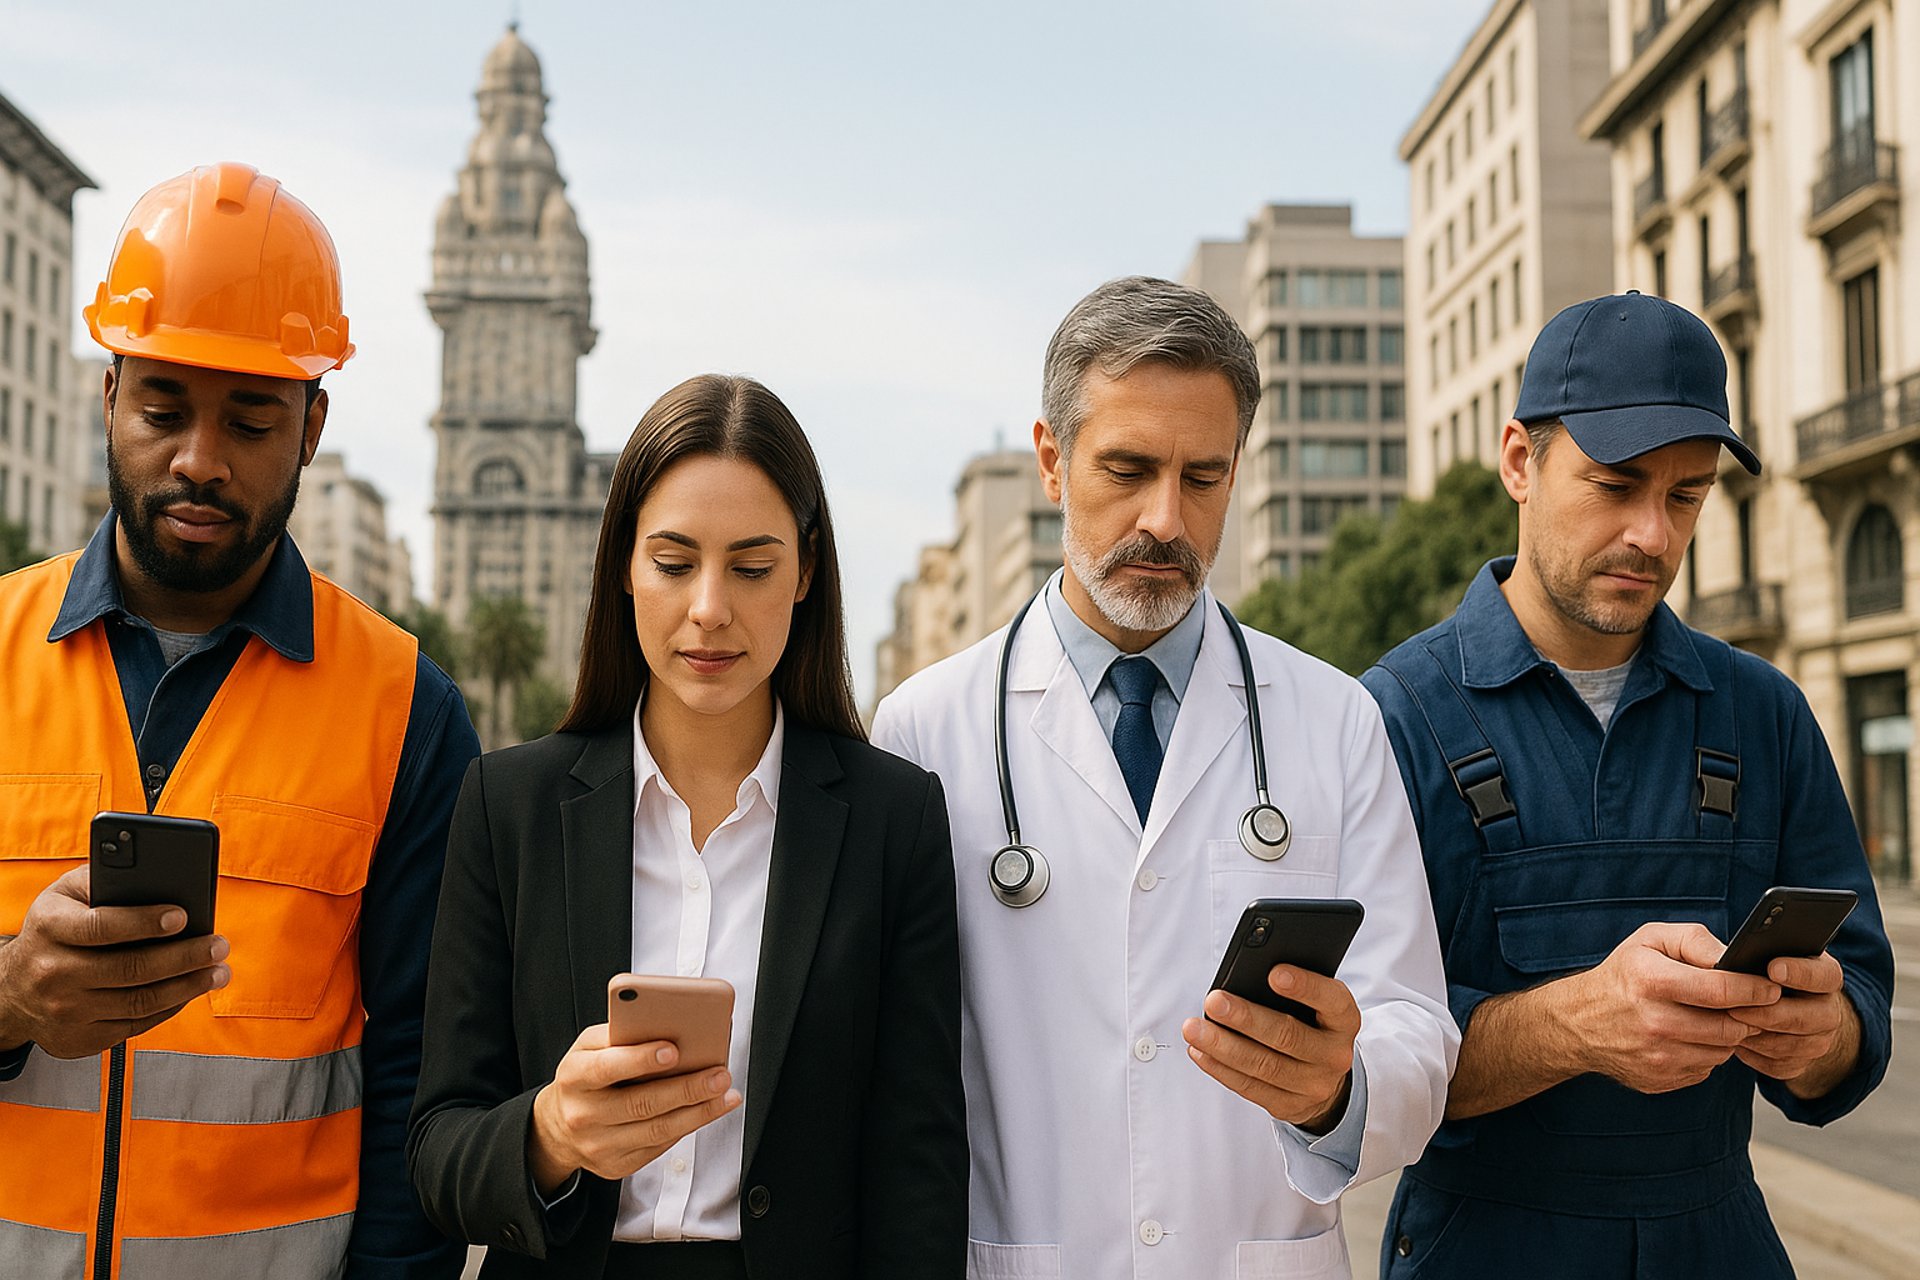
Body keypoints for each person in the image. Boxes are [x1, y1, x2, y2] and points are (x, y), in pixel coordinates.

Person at [872, 276, 1457, 1279]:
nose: (1166, 519)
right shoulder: (925, 728)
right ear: (1053, 461)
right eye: (1128, 467)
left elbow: (1415, 1022)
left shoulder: (1334, 719)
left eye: (1203, 476)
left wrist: (1337, 1089)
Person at [0, 163, 478, 1277]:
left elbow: (424, 1084)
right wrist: (12, 994)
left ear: (312, 427)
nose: (199, 460)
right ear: (107, 397)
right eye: (163, 407)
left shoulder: (406, 708)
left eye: (251, 420)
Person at [1362, 291, 1896, 1278]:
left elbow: (1859, 1000)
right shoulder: (1389, 718)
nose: (1653, 533)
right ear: (1519, 461)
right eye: (1615, 484)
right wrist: (1571, 1024)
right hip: (1485, 1247)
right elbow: (1353, 1067)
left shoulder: (1764, 713)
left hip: (1719, 1238)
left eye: (1686, 495)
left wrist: (1822, 1032)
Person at [408, 374, 967, 1279]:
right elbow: (438, 1152)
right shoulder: (506, 807)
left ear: (806, 573)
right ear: (624, 564)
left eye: (752, 568)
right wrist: (550, 1131)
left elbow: (920, 1167)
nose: (710, 607)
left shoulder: (894, 822)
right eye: (673, 564)